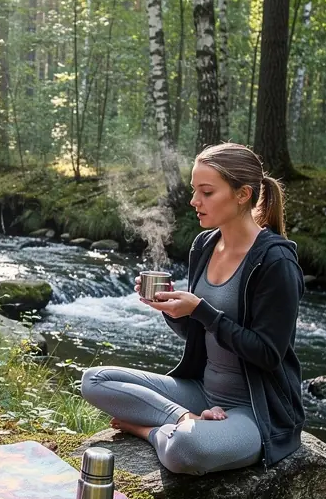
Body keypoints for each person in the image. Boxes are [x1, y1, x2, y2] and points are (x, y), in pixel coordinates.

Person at [81, 143, 304, 475]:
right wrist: (173, 310)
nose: (194, 201)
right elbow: (198, 333)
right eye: (194, 190)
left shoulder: (275, 261)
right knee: (94, 380)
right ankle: (184, 419)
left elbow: (268, 353)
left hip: (253, 412)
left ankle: (146, 429)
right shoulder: (205, 244)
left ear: (242, 194)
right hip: (201, 393)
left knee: (187, 447)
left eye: (207, 192)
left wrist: (201, 310)